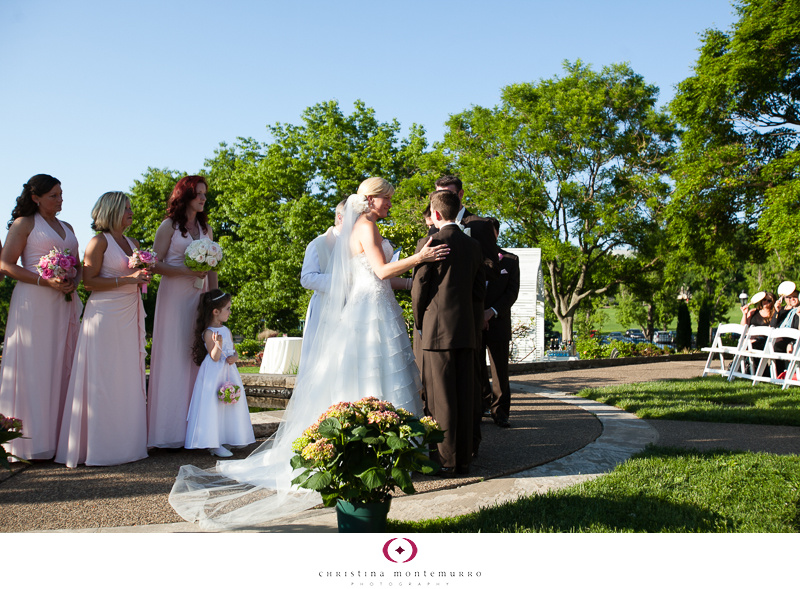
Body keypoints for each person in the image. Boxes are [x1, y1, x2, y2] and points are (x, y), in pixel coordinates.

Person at [169, 177, 447, 529]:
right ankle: (376, 449)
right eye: (387, 200)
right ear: (372, 200)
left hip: (371, 304)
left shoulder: (359, 228)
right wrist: (420, 257)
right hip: (369, 308)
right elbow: (380, 271)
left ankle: (380, 448)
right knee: (371, 370)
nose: (390, 205)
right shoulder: (365, 227)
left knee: (369, 370)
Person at [55, 192, 150, 467]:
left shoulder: (134, 243)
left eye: (131, 208)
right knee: (103, 375)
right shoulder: (98, 242)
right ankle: (99, 447)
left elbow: (134, 277)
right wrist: (128, 278)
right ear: (111, 212)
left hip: (129, 313)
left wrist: (142, 277)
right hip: (104, 315)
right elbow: (88, 282)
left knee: (126, 375)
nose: (131, 212)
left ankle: (127, 444)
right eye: (126, 209)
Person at [0, 174, 82, 462]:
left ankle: (60, 438)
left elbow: (79, 262)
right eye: (54, 196)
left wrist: (74, 278)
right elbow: (6, 264)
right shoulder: (24, 224)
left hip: (64, 302)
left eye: (61, 194)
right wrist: (45, 281)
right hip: (33, 301)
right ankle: (30, 443)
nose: (60, 200)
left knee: (63, 363)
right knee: (35, 366)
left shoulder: (68, 227)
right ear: (36, 197)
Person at [412, 189, 485, 475]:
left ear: (436, 214)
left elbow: (420, 288)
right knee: (465, 395)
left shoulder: (429, 242)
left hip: (436, 332)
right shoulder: (474, 246)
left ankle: (445, 461)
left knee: (439, 400)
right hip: (466, 330)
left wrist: (420, 323)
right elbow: (479, 292)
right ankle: (464, 458)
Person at [147, 176, 218, 449]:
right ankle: (167, 432)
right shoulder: (169, 227)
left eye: (204, 195)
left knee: (197, 357)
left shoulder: (206, 228)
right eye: (198, 194)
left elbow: (212, 266)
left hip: (199, 297)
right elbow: (154, 263)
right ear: (185, 196)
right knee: (174, 356)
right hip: (174, 297)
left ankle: (197, 430)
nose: (202, 199)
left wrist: (215, 299)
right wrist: (185, 271)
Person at [185, 289, 255, 457]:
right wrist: (218, 344)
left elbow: (234, 351)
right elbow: (215, 357)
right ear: (216, 312)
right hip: (214, 373)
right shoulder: (209, 332)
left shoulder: (227, 330)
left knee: (229, 402)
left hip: (229, 372)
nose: (230, 312)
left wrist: (235, 357)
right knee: (214, 404)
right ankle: (213, 443)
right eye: (228, 309)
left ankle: (229, 437)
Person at [481, 218, 520, 428]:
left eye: (490, 232)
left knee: (499, 370)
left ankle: (501, 412)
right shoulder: (472, 256)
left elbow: (511, 293)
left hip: (498, 321)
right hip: (475, 321)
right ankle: (481, 406)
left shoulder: (511, 260)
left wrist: (491, 312)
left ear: (496, 234)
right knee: (476, 369)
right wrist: (479, 314)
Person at [298, 199, 346, 365]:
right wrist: (342, 281)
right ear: (340, 218)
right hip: (325, 309)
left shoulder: (358, 242)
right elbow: (307, 278)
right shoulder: (318, 243)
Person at [771, 282, 800, 374]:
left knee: (776, 346)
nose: (792, 299)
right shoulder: (782, 310)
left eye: (794, 297)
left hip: (791, 338)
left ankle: (783, 374)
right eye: (788, 297)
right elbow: (773, 326)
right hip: (779, 338)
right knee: (771, 345)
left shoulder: (797, 310)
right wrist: (777, 312)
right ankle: (776, 374)